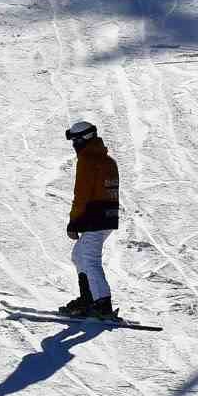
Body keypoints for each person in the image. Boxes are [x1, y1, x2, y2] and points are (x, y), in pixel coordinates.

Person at [59, 120, 121, 320]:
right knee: (79, 254)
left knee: (89, 259)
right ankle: (88, 299)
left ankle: (102, 303)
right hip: (107, 216)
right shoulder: (108, 160)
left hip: (95, 217)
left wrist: (74, 221)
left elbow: (82, 194)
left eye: (75, 140)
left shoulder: (87, 160)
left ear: (83, 139)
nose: (74, 145)